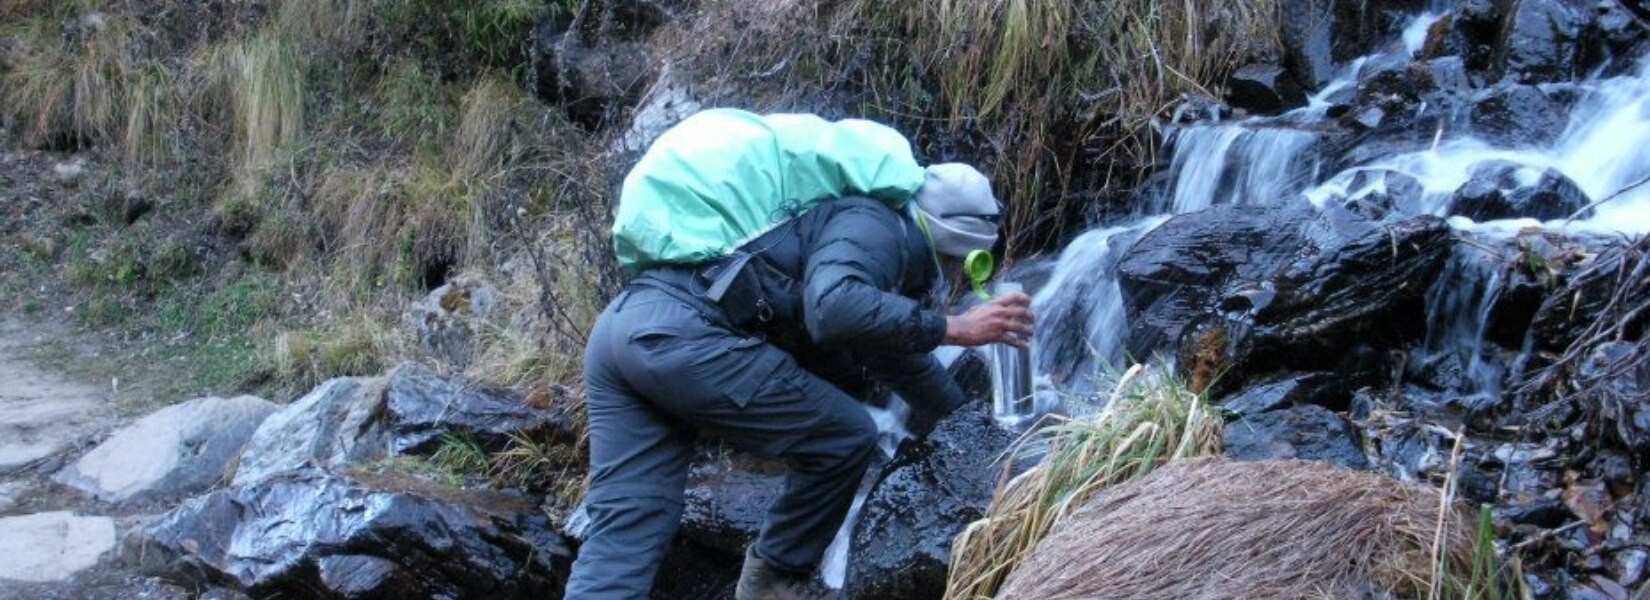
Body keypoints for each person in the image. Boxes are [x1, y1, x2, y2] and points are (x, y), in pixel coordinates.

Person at [565, 162, 1035, 600]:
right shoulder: (876, 225)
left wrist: (973, 431)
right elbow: (833, 309)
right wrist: (955, 327)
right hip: (684, 337)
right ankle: (774, 583)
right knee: (845, 437)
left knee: (628, 528)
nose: (957, 278)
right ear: (958, 247)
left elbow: (896, 358)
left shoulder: (858, 239)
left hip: (626, 330)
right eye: (966, 264)